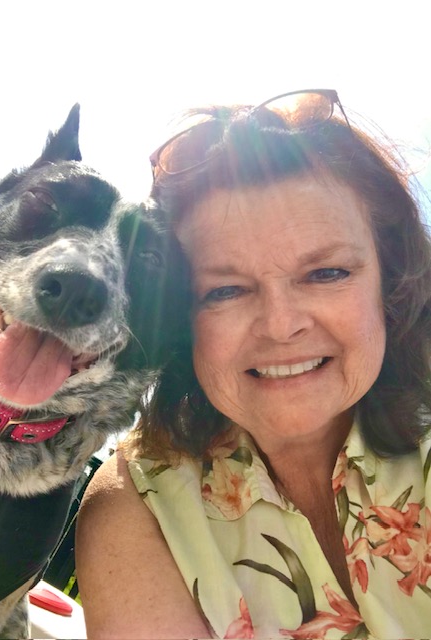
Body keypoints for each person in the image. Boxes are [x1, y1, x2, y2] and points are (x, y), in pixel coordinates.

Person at [76, 89, 431, 639]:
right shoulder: (138, 510)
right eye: (225, 290)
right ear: (176, 317)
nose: (280, 324)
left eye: (327, 273)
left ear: (391, 283)